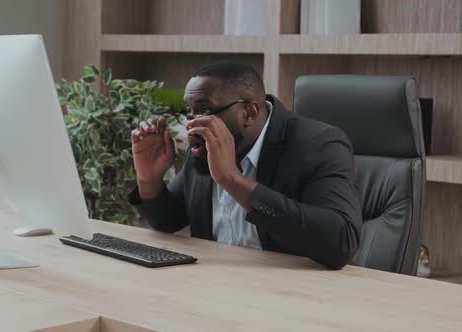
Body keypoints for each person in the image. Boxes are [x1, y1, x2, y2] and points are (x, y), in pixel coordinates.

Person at [129, 63, 362, 269]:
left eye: (204, 111)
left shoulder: (319, 145)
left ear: (249, 112)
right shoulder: (204, 147)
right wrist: (149, 180)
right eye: (188, 113)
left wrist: (233, 180)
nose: (191, 125)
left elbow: (340, 242)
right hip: (217, 288)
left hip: (300, 297)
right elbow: (169, 220)